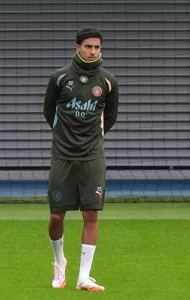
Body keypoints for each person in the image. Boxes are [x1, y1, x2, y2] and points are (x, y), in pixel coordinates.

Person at [43, 27, 118, 291]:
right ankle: (59, 261)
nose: (93, 51)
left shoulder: (108, 81)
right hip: (62, 155)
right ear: (78, 47)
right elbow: (48, 111)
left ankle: (83, 277)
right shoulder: (59, 78)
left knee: (91, 214)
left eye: (97, 47)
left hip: (92, 156)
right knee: (56, 216)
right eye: (88, 46)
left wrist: (90, 140)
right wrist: (68, 137)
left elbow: (109, 117)